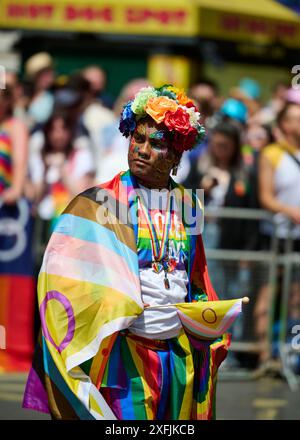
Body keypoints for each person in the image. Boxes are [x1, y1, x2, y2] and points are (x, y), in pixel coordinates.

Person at [23, 85, 236, 420]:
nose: (142, 150)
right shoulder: (102, 202)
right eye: (138, 139)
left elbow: (195, 274)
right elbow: (60, 279)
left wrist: (211, 319)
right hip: (126, 359)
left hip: (178, 356)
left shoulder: (189, 203)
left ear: (177, 155)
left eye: (157, 143)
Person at [0, 87, 35, 372]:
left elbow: (20, 165)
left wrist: (16, 188)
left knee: (10, 285)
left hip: (9, 215)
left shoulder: (15, 126)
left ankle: (9, 348)